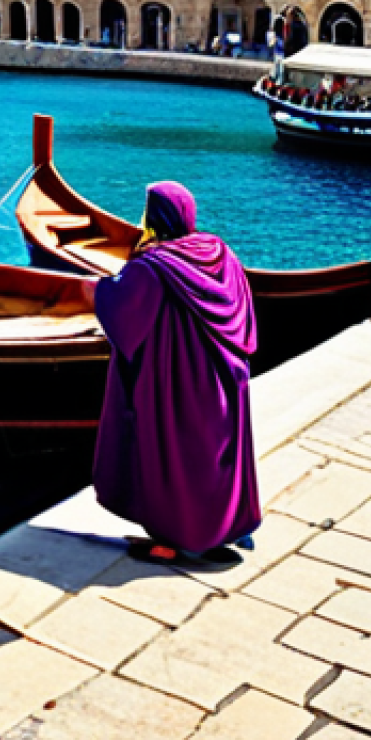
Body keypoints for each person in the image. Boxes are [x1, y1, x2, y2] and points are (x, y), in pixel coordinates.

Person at [81, 182, 261, 566]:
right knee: (218, 456)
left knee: (178, 456)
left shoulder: (152, 267)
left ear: (154, 217)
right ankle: (225, 527)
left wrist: (98, 291)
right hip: (227, 375)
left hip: (181, 382)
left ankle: (175, 540)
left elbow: (123, 315)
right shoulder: (220, 253)